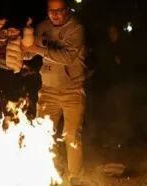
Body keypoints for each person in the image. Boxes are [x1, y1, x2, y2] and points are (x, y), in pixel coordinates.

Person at [21, 0, 87, 185]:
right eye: (51, 11)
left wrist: (37, 49)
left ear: (67, 10)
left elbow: (67, 57)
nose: (55, 15)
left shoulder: (76, 29)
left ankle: (75, 177)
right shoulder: (43, 27)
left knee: (71, 135)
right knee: (44, 134)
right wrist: (19, 43)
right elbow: (28, 52)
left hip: (72, 90)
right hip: (48, 90)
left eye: (59, 11)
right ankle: (54, 171)